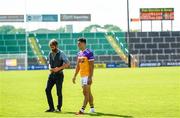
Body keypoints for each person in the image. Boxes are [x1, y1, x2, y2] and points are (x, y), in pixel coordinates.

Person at [45, 39, 70, 112]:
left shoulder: (61, 53)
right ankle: (51, 108)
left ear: (56, 46)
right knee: (47, 90)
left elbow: (68, 63)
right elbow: (49, 62)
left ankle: (59, 108)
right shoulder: (50, 53)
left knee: (58, 92)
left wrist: (58, 68)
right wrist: (50, 68)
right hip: (51, 75)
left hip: (59, 75)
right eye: (51, 47)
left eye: (53, 47)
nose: (52, 48)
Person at [72, 37, 95, 115]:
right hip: (82, 76)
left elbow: (92, 66)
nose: (78, 45)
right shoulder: (79, 53)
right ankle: (92, 108)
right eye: (77, 43)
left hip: (87, 75)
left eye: (79, 43)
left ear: (84, 43)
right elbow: (78, 66)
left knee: (86, 92)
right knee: (87, 93)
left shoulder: (89, 53)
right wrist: (74, 76)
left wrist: (90, 77)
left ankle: (82, 110)